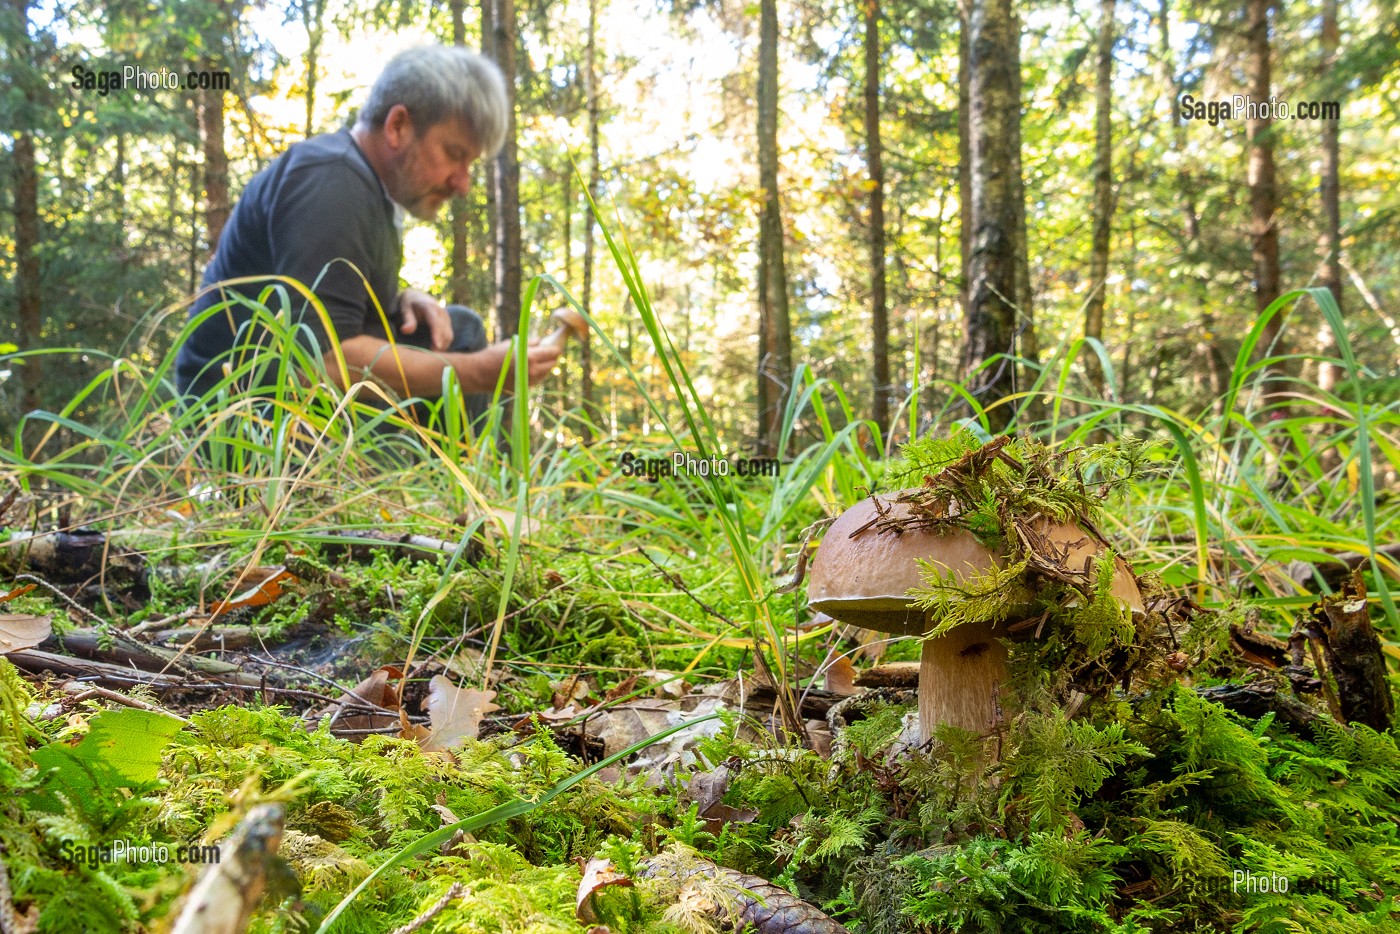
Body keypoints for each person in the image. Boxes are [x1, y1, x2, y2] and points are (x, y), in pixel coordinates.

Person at [174, 45, 560, 429]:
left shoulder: (368, 191)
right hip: (234, 427)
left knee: (457, 330)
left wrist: (399, 300)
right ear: (397, 126)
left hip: (278, 406)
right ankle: (451, 489)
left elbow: (335, 311)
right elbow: (320, 363)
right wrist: (480, 372)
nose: (462, 183)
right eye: (454, 153)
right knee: (465, 349)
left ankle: (457, 488)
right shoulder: (331, 181)